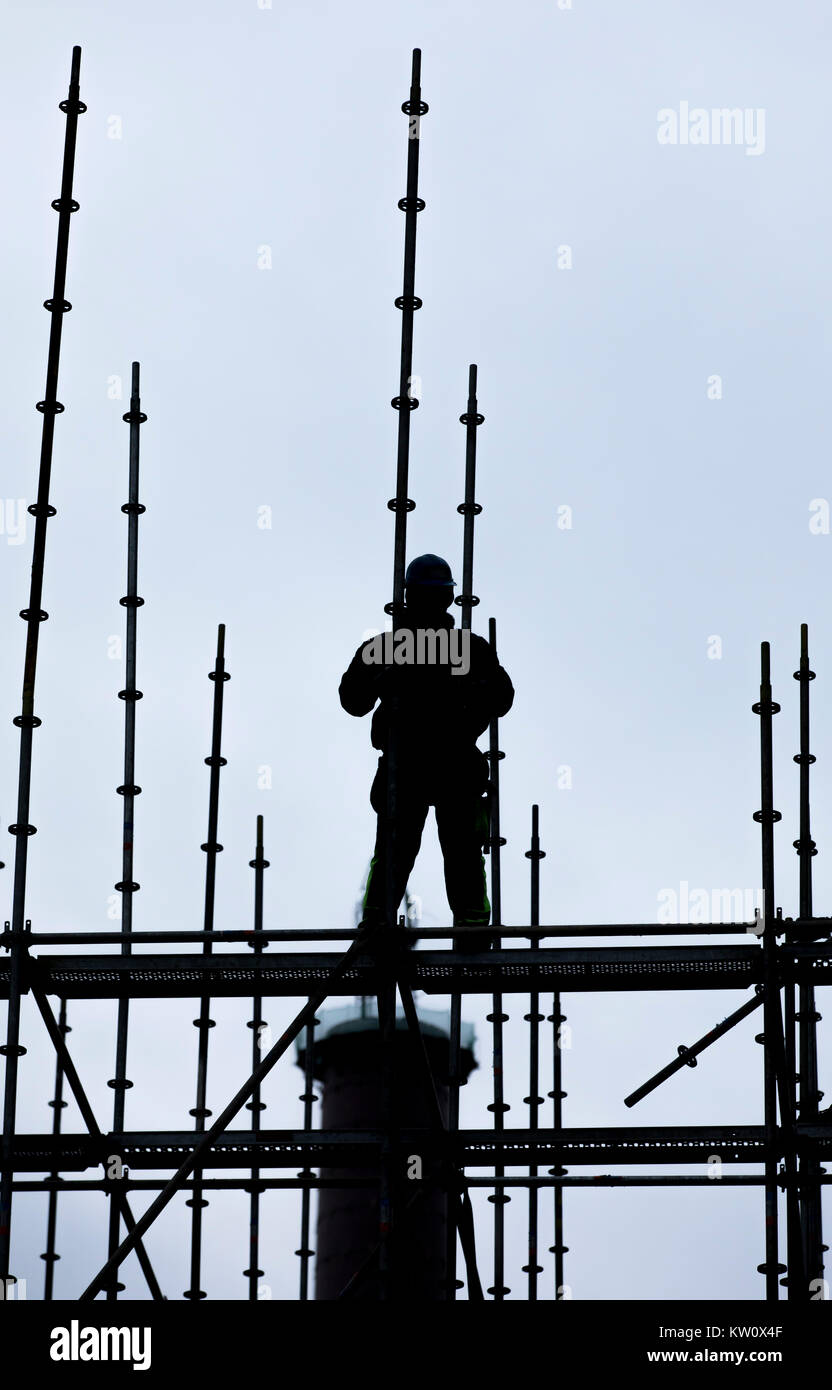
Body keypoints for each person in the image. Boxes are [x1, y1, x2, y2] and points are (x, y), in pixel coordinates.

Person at [339, 554, 514, 949]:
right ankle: (395, 925)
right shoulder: (442, 648)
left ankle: (460, 927)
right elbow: (353, 698)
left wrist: (463, 688)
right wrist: (387, 677)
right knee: (416, 849)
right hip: (414, 765)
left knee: (451, 850)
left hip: (440, 765)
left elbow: (501, 697)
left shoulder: (460, 650)